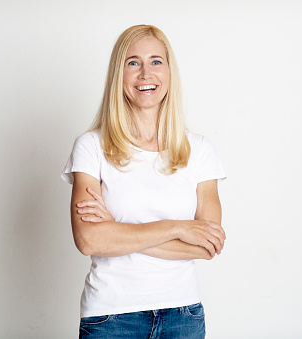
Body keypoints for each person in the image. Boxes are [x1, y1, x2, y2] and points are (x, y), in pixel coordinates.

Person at [61, 24, 226, 339]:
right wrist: (178, 228)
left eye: (156, 61)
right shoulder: (91, 147)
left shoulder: (201, 150)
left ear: (168, 71)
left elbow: (207, 245)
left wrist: (117, 227)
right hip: (111, 317)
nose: (145, 73)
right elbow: (89, 241)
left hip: (183, 316)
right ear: (119, 75)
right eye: (133, 62)